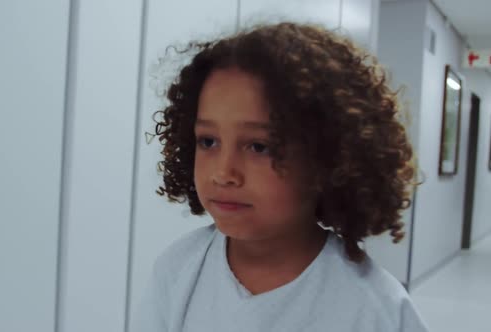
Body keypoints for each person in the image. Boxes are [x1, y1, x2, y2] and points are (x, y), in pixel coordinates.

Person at [133, 22, 428, 331]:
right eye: (208, 141)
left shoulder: (375, 308)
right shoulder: (178, 270)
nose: (223, 173)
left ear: (326, 158)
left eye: (259, 147)